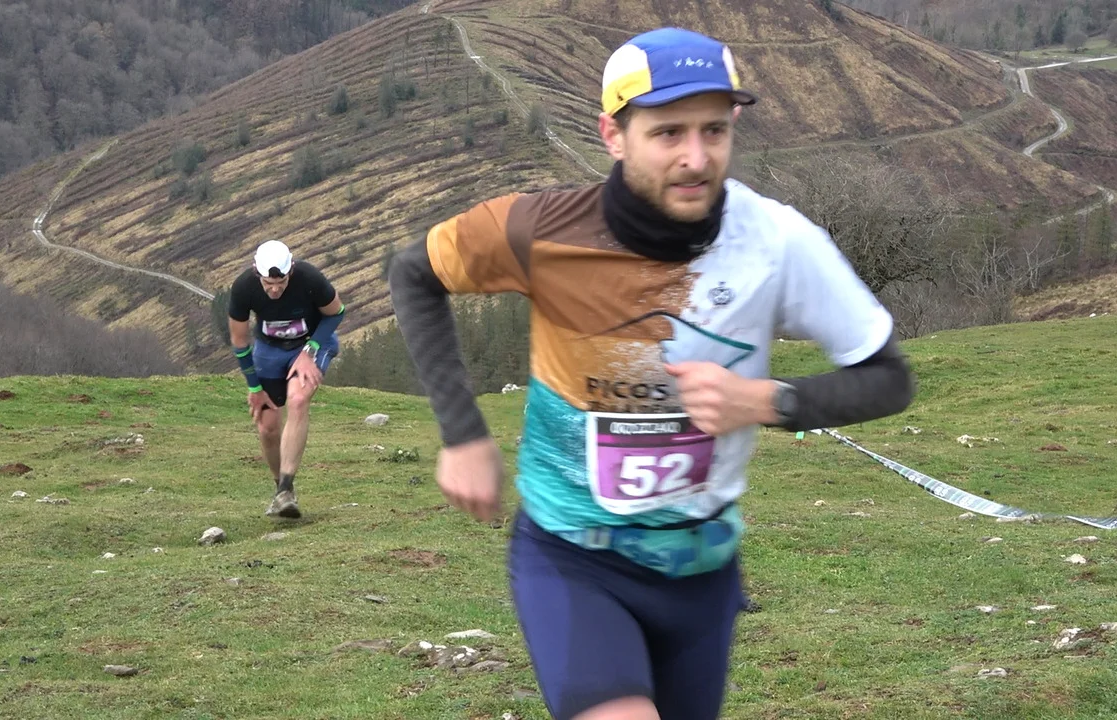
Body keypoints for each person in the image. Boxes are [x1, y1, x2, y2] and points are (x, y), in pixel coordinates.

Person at [388, 26, 915, 720]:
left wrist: (767, 401)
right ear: (613, 134)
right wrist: (462, 434)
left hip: (701, 572)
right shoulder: (540, 230)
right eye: (668, 133)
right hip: (574, 559)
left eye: (714, 130)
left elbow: (887, 377)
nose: (696, 158)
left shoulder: (779, 241)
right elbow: (414, 273)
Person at [228, 239, 346, 519]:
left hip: (311, 343)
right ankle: (282, 492)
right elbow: (240, 341)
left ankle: (286, 486)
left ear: (291, 270)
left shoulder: (309, 278)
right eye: (268, 283)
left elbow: (336, 313)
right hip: (270, 350)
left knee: (298, 399)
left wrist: (310, 349)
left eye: (281, 282)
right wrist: (254, 387)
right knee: (267, 425)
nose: (275, 289)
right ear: (257, 274)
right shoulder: (243, 287)